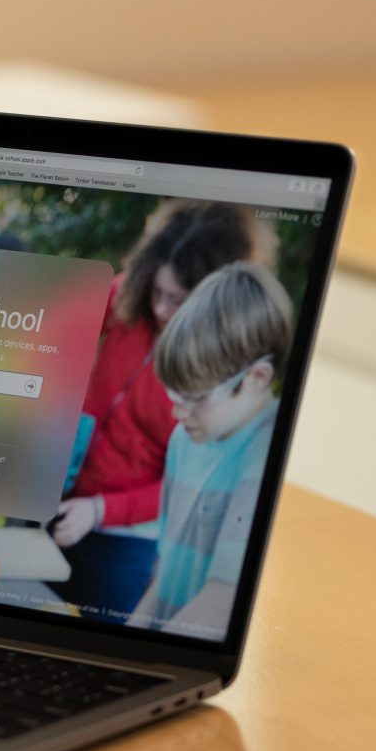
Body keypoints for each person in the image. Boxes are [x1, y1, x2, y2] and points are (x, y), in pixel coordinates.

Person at [46, 200, 268, 616]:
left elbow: (184, 482)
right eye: (158, 293)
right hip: (57, 493)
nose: (162, 310)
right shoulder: (128, 296)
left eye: (179, 301)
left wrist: (100, 511)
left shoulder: (224, 380)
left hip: (124, 540)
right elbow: (56, 337)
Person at [128, 263, 293, 638]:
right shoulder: (186, 439)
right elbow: (165, 571)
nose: (177, 411)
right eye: (174, 394)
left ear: (256, 378)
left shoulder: (268, 452)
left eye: (195, 397)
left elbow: (223, 599)